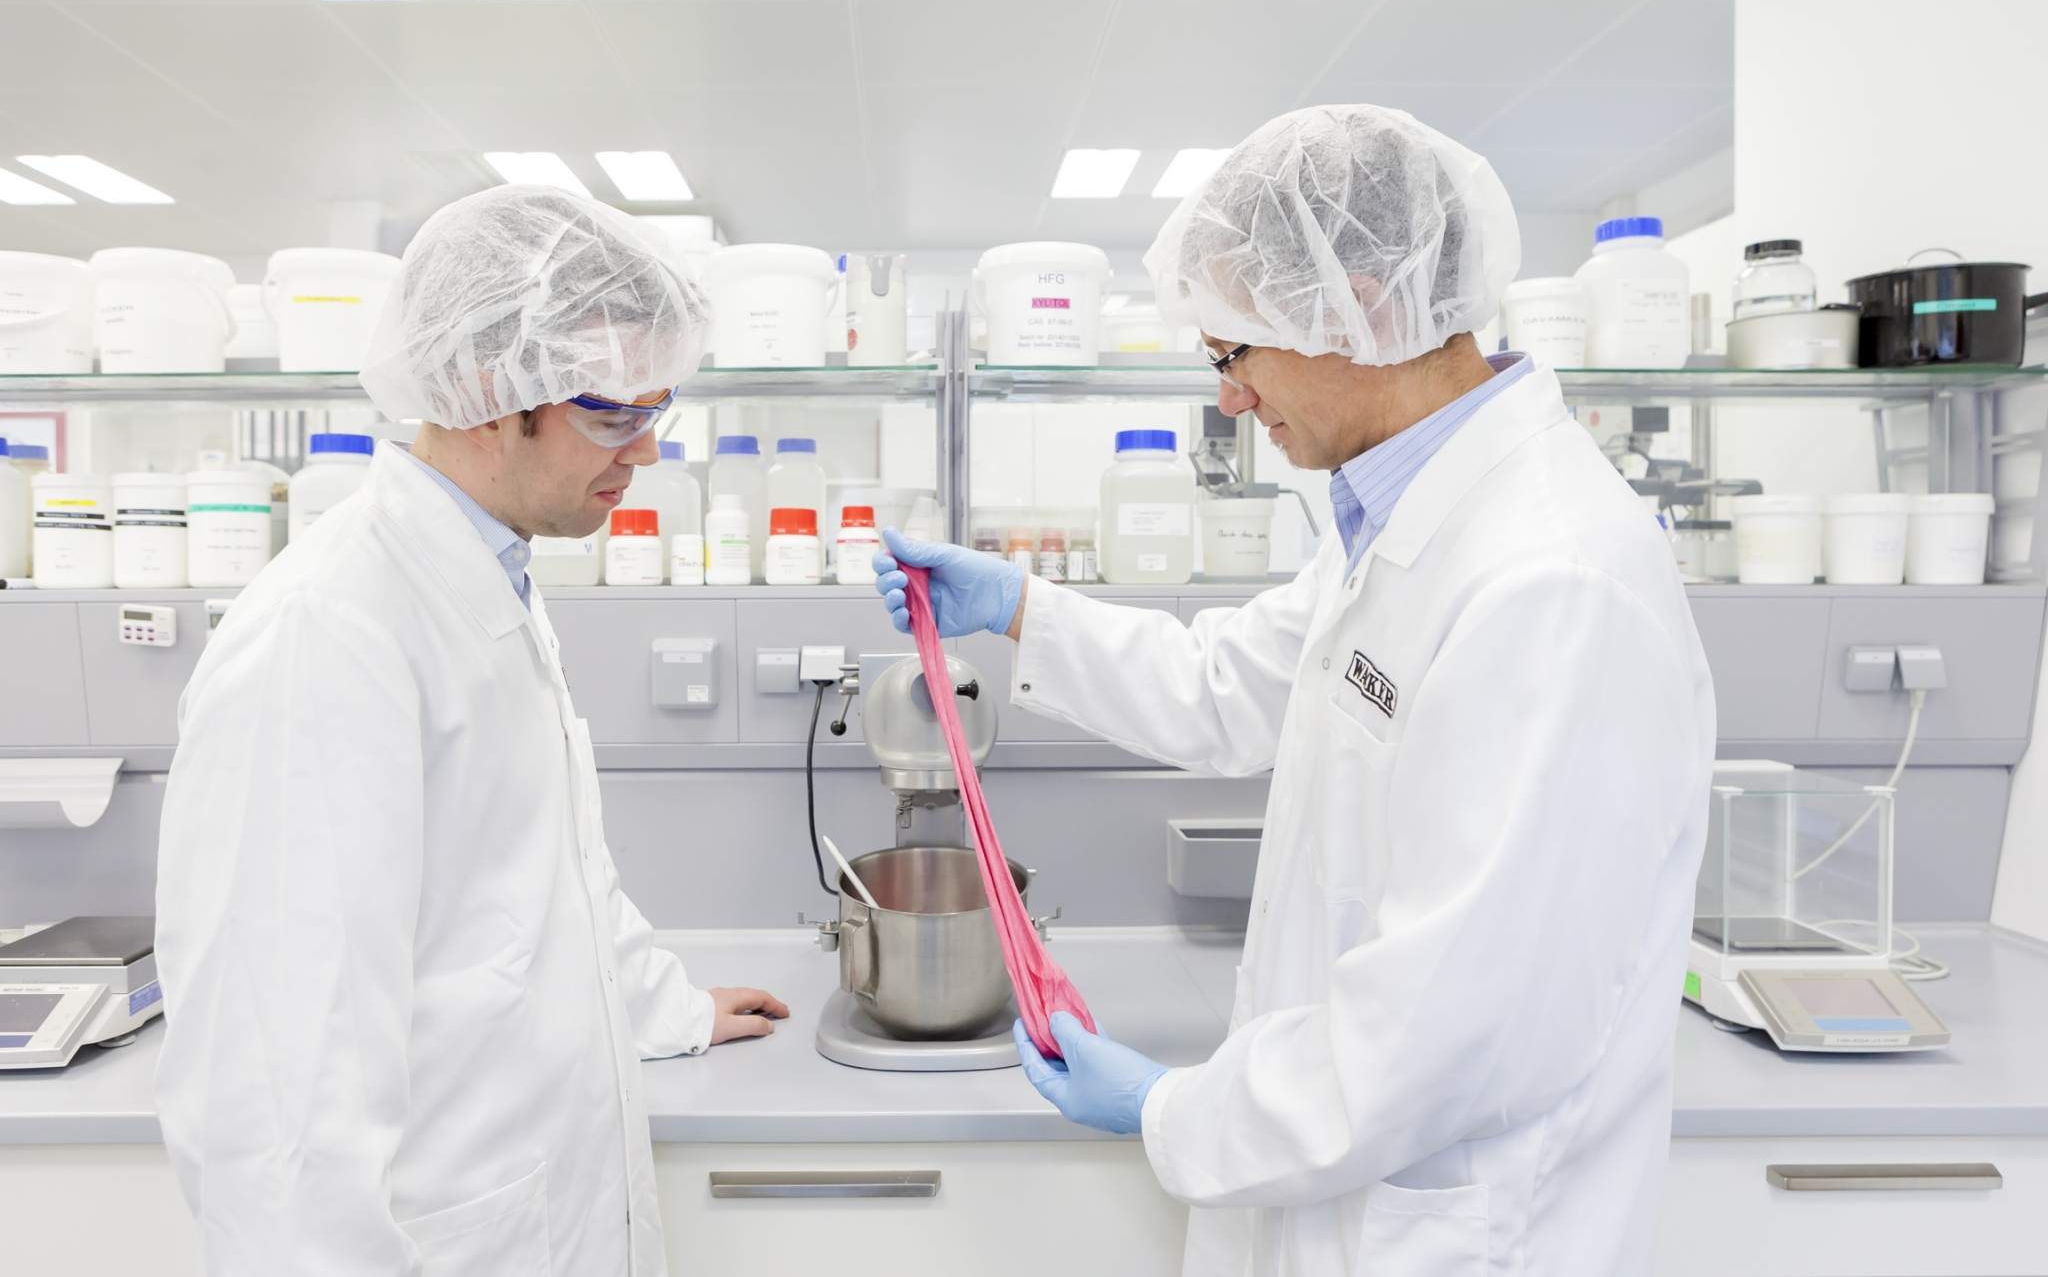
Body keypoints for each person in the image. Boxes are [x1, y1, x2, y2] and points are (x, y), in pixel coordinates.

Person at [875, 106, 1716, 1276]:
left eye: (1234, 351)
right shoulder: (1402, 522)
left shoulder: (1549, 580)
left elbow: (1442, 1029)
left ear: (1362, 308)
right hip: (1356, 1192)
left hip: (1461, 1231)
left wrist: (1172, 1111)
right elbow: (1227, 687)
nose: (1227, 398)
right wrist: (1018, 607)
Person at [155, 185, 788, 1276]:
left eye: (655, 407)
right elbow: (275, 1107)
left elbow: (540, 871)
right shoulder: (327, 634)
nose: (641, 453)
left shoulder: (489, 579)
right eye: (610, 411)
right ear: (496, 389)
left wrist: (666, 1006)